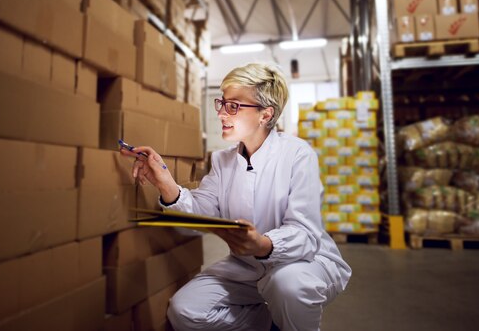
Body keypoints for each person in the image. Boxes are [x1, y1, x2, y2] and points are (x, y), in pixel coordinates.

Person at [121, 62, 351, 331]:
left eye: (233, 106)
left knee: (286, 286)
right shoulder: (222, 160)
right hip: (248, 268)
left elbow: (305, 234)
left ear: (266, 115)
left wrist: (263, 244)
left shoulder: (298, 155)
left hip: (304, 263)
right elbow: (200, 213)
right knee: (186, 311)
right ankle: (269, 324)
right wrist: (165, 183)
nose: (221, 114)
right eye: (221, 103)